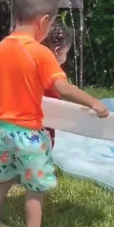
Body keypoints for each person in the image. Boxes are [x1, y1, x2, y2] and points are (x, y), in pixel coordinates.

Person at [0, 0, 109, 227]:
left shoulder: (2, 47)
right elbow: (61, 86)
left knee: (2, 176)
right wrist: (93, 102)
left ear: (16, 15)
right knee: (36, 185)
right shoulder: (41, 52)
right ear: (44, 21)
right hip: (27, 133)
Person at [39, 20, 73, 148]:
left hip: (26, 122)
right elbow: (65, 90)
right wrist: (92, 103)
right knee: (43, 151)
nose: (66, 56)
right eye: (66, 52)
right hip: (44, 123)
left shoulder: (34, 64)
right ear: (58, 50)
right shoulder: (54, 70)